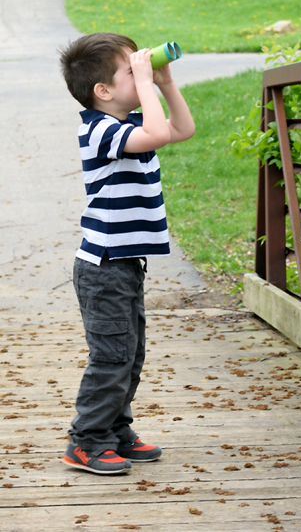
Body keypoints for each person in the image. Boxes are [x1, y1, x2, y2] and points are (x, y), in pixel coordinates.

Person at [58, 33, 195, 475]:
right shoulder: (99, 129)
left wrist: (165, 83)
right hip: (103, 266)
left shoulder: (128, 122)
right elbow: (156, 133)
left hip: (125, 263)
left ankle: (115, 429)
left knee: (129, 353)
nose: (140, 72)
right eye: (128, 70)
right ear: (103, 91)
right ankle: (86, 439)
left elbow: (181, 130)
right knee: (112, 355)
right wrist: (147, 82)